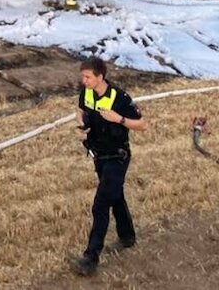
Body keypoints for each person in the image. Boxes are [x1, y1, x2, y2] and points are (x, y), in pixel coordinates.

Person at [72, 56, 146, 276]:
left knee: (101, 204)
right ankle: (127, 236)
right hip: (99, 156)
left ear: (100, 77)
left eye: (88, 77)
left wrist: (119, 119)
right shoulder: (86, 92)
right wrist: (81, 123)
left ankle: (91, 257)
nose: (84, 81)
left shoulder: (120, 98)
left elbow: (142, 124)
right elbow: (79, 109)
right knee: (115, 196)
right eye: (83, 77)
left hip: (117, 157)